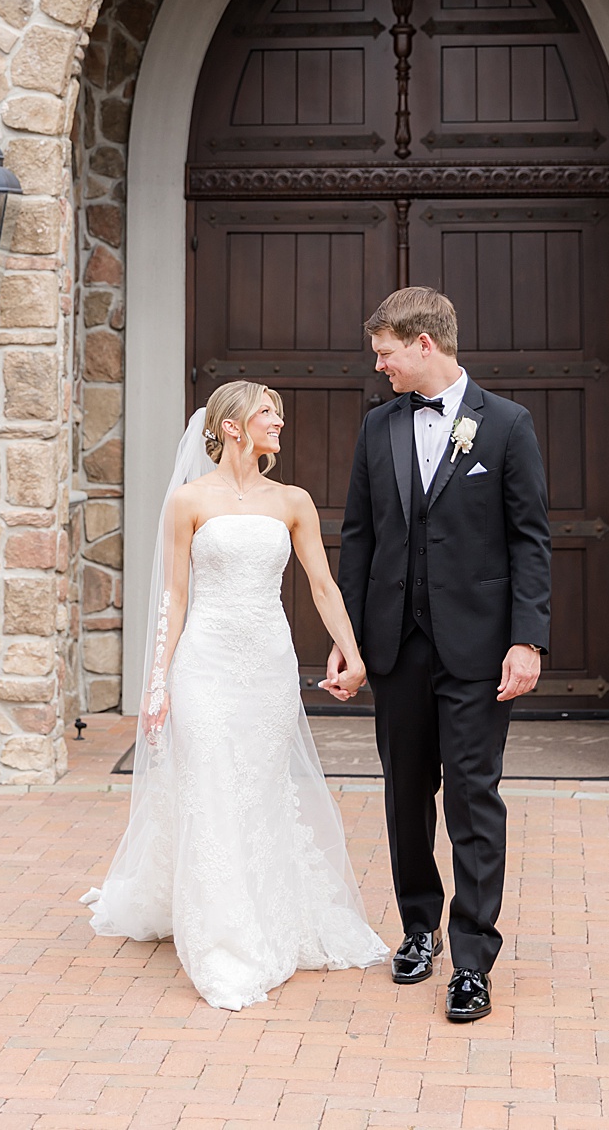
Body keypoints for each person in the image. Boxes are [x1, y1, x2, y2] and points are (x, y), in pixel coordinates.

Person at [84, 382, 387, 1011]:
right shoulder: (188, 501)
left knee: (262, 788)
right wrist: (159, 679)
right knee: (212, 789)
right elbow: (174, 596)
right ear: (230, 427)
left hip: (269, 669)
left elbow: (324, 587)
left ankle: (269, 909)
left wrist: (354, 655)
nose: (280, 421)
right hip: (205, 665)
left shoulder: (293, 501)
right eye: (268, 413)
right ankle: (224, 942)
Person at [337, 286, 552, 1025]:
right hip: (398, 646)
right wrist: (352, 644)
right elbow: (358, 540)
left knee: (472, 797)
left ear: (423, 344)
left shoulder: (508, 426)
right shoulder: (377, 428)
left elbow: (531, 541)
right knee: (404, 794)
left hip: (478, 649)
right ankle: (418, 928)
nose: (379, 364)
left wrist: (528, 638)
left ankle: (472, 960)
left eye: (385, 350)